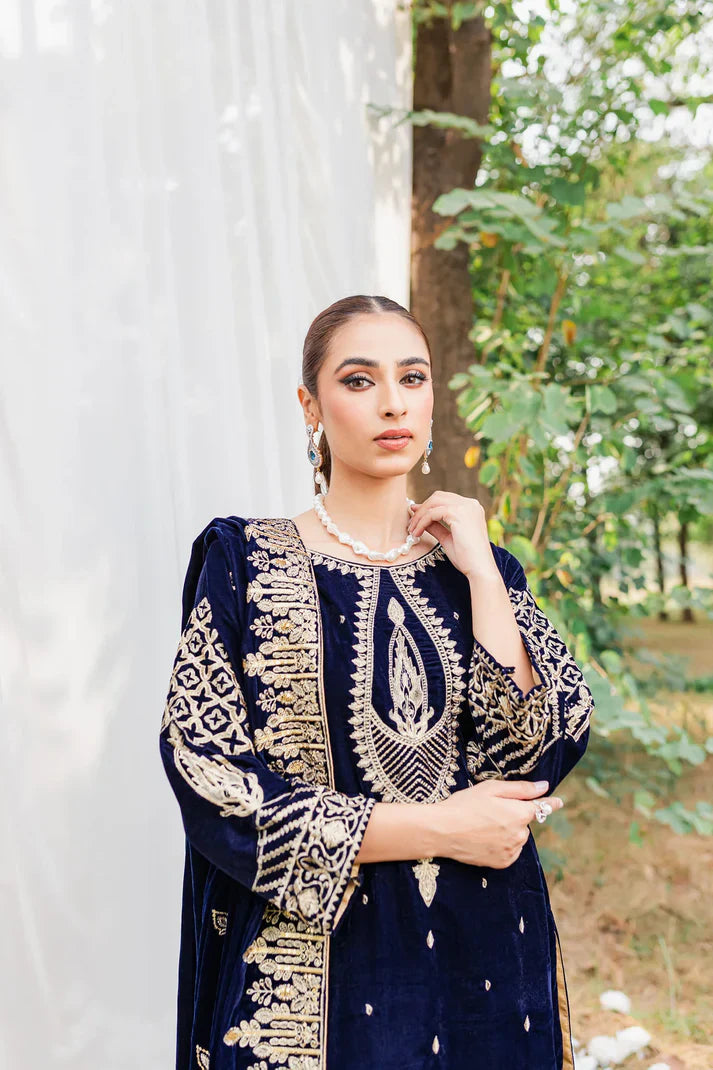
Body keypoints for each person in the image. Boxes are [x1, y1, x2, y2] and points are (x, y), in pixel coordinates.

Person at [159, 294, 594, 1070]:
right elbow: (211, 778)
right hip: (310, 975)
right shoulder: (243, 563)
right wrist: (437, 828)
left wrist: (482, 573)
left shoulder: (483, 572)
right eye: (359, 380)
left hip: (485, 963)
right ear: (310, 406)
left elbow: (533, 757)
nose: (392, 403)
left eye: (412, 378)